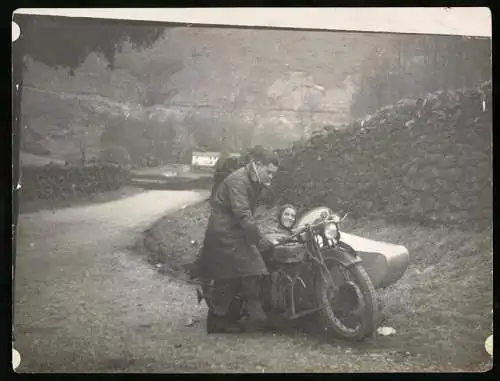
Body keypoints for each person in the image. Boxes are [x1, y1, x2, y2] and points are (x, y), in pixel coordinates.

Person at [191, 146, 280, 333]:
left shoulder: (252, 179)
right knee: (250, 267)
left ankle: (226, 317)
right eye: (269, 172)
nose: (271, 177)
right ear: (257, 165)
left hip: (234, 229)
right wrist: (258, 238)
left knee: (232, 275)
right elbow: (243, 214)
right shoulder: (238, 181)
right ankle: (250, 307)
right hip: (225, 232)